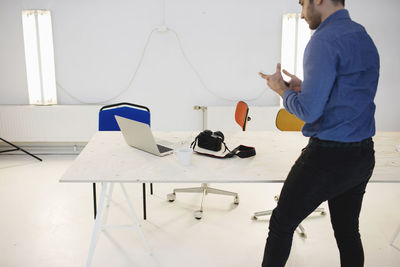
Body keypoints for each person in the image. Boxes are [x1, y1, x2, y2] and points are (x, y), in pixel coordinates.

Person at [258, 0, 380, 266]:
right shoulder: (362, 35)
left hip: (328, 158)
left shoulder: (322, 41)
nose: (302, 14)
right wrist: (306, 88)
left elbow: (309, 112)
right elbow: (349, 94)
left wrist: (282, 90)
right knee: (348, 232)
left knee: (281, 223)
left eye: (302, 4)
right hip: (362, 155)